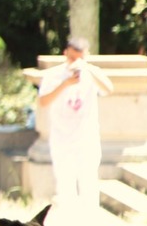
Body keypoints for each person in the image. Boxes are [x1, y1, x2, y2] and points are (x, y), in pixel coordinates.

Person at [37, 37, 114, 216]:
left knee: (88, 181)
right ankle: (69, 220)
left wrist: (87, 69)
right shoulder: (53, 75)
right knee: (65, 183)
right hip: (61, 137)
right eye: (72, 58)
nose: (75, 62)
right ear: (65, 54)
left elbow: (108, 89)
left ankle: (90, 223)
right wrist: (65, 84)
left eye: (79, 58)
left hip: (86, 136)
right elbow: (43, 101)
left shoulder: (92, 73)